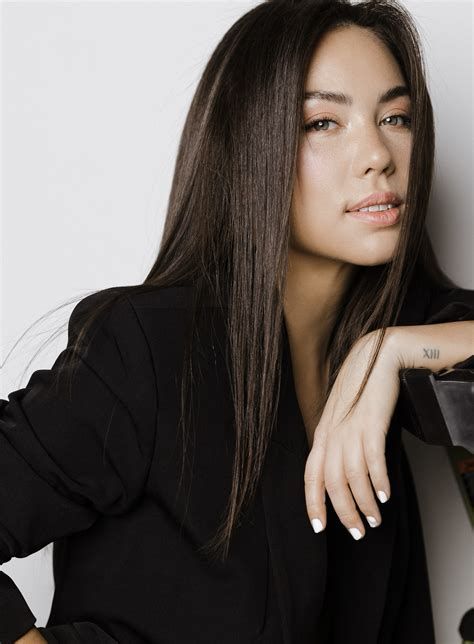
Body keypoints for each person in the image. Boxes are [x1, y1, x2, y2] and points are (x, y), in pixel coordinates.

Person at [1, 0, 473, 642]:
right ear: (249, 148)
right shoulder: (148, 349)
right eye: (322, 123)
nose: (377, 154)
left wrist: (384, 352)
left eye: (396, 117)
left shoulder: (401, 332)